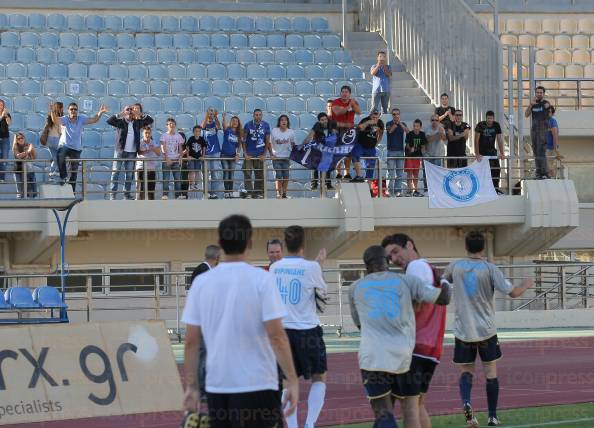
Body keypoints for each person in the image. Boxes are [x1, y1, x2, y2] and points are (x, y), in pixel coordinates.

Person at [182, 214, 299, 427]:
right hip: (259, 384)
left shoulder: (201, 283)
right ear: (250, 243)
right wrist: (292, 380)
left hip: (218, 386)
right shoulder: (263, 280)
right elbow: (277, 336)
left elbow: (191, 341)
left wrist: (191, 387)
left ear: (220, 244)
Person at [349, 245, 451, 428]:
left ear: (366, 267)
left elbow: (359, 324)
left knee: (383, 413)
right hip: (403, 357)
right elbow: (444, 299)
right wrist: (443, 280)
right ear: (387, 262)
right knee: (410, 410)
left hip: (372, 357)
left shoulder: (355, 288)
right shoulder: (407, 281)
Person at [442, 231, 533, 428]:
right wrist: (526, 284)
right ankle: (492, 416)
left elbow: (442, 283)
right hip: (486, 330)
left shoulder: (455, 266)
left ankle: (467, 406)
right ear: (483, 248)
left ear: (466, 247)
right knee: (490, 372)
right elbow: (514, 293)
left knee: (466, 372)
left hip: (464, 329)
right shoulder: (491, 269)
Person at [382, 234, 447, 428]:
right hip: (430, 347)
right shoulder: (429, 268)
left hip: (414, 346)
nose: (393, 259)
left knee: (409, 407)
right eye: (389, 257)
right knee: (417, 404)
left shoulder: (416, 267)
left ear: (409, 245)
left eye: (395, 252)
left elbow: (415, 302)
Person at [270, 225, 328, 428]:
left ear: (285, 245)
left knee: (287, 380)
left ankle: (293, 426)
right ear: (303, 244)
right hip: (308, 330)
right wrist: (319, 264)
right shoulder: (312, 267)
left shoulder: (274, 268)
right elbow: (323, 299)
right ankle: (310, 423)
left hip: (283, 330)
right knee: (318, 377)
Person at [51, 102, 108, 192]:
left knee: (74, 172)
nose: (73, 111)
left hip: (76, 149)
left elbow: (94, 120)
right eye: (71, 109)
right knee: (60, 154)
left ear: (77, 111)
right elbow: (55, 121)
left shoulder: (81, 119)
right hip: (65, 145)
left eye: (75, 109)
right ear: (68, 111)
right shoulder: (65, 119)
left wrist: (100, 113)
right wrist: (52, 111)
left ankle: (72, 193)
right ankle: (63, 176)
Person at [107, 104, 154, 200]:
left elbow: (150, 120)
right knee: (115, 173)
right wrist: (121, 113)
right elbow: (109, 120)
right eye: (127, 110)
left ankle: (126, 194)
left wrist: (139, 113)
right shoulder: (120, 122)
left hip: (132, 152)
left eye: (131, 110)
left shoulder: (137, 123)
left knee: (129, 174)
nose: (129, 111)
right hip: (120, 151)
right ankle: (112, 195)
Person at [332, 85, 361, 179]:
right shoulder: (336, 102)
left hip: (349, 131)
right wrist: (349, 105)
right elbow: (338, 112)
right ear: (340, 93)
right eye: (343, 91)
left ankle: (347, 173)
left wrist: (353, 104)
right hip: (338, 130)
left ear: (349, 94)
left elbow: (359, 111)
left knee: (348, 153)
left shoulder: (353, 102)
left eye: (346, 92)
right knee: (338, 152)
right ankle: (338, 172)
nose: (344, 93)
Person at [242, 109, 271, 199]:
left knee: (259, 174)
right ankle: (249, 192)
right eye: (256, 115)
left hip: (260, 155)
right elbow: (243, 140)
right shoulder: (248, 125)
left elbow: (267, 141)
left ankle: (257, 193)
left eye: (259, 115)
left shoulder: (266, 125)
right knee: (247, 173)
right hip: (249, 155)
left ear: (261, 116)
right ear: (253, 116)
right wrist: (245, 153)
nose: (258, 116)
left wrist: (264, 154)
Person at [524, 86, 552, 179]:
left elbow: (549, 113)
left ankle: (545, 173)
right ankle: (538, 172)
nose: (539, 94)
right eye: (537, 92)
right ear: (535, 93)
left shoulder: (546, 103)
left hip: (543, 129)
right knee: (535, 151)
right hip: (534, 129)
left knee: (541, 151)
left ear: (543, 94)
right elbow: (526, 114)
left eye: (541, 92)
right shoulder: (533, 104)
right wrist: (531, 105)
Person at [304, 112, 336, 191]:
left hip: (327, 150)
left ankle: (328, 184)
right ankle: (314, 184)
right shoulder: (316, 126)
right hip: (317, 150)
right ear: (319, 121)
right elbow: (310, 136)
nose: (324, 121)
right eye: (322, 120)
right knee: (315, 167)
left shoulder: (330, 126)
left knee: (327, 167)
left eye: (325, 119)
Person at [474, 111, 504, 193]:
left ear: (493, 118)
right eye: (488, 118)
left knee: (496, 169)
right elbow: (476, 140)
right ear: (486, 118)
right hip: (482, 152)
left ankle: (495, 189)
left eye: (491, 118)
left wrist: (502, 153)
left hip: (492, 151)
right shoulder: (480, 125)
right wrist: (477, 153)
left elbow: (500, 139)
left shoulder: (496, 125)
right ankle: (480, 189)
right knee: (482, 170)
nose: (490, 120)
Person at [351, 109, 384, 183]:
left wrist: (377, 143)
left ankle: (369, 188)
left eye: (376, 117)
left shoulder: (380, 123)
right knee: (355, 154)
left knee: (371, 166)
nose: (375, 119)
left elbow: (381, 133)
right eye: (373, 117)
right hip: (361, 144)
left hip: (371, 147)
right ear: (370, 115)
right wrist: (368, 123)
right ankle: (359, 175)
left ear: (379, 116)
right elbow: (359, 129)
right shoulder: (365, 120)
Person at [270, 115, 295, 199]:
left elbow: (292, 143)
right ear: (279, 122)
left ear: (287, 122)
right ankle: (278, 193)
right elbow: (269, 143)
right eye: (282, 120)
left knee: (286, 175)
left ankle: (284, 193)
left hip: (286, 157)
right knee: (279, 175)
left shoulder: (291, 132)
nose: (284, 122)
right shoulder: (274, 131)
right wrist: (271, 154)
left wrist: (294, 153)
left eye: (285, 120)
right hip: (276, 157)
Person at [160, 117, 185, 200]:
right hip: (167, 160)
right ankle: (165, 194)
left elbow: (180, 148)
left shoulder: (178, 136)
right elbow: (163, 147)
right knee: (166, 178)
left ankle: (178, 195)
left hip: (176, 160)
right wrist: (166, 158)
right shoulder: (164, 135)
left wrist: (181, 157)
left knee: (177, 179)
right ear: (166, 125)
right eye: (169, 123)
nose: (171, 125)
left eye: (173, 123)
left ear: (175, 125)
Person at [385, 108, 408, 197]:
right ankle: (389, 190)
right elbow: (390, 131)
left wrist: (400, 123)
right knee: (390, 173)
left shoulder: (403, 124)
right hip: (391, 152)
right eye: (394, 114)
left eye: (397, 114)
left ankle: (398, 190)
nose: (396, 116)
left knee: (399, 173)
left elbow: (408, 131)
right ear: (392, 115)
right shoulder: (389, 124)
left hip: (400, 152)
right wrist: (395, 124)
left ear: (399, 115)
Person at [201, 107, 222, 199]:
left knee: (215, 173)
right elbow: (202, 126)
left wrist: (216, 116)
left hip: (215, 151)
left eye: (212, 114)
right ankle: (206, 192)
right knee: (206, 173)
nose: (210, 115)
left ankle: (213, 192)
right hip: (206, 152)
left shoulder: (214, 123)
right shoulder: (204, 124)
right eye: (209, 114)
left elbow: (219, 126)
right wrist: (207, 114)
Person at [40, 102, 63, 181]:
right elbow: (60, 131)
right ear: (60, 108)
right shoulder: (59, 117)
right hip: (56, 139)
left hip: (49, 140)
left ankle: (51, 174)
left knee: (55, 158)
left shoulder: (49, 117)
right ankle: (56, 171)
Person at [136, 126, 161, 200]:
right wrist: (147, 149)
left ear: (151, 134)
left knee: (151, 190)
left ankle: (151, 207)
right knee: (141, 189)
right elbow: (139, 152)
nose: (147, 134)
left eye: (149, 133)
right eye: (146, 133)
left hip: (151, 168)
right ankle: (140, 207)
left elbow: (159, 153)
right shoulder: (139, 142)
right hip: (141, 168)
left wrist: (153, 148)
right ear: (142, 133)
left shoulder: (154, 142)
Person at [221, 113, 242, 198]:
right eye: (233, 121)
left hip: (233, 156)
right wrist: (223, 118)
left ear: (238, 123)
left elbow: (239, 145)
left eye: (236, 121)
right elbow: (224, 126)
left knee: (231, 174)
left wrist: (237, 154)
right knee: (226, 172)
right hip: (224, 155)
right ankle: (226, 192)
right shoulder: (228, 130)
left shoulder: (239, 133)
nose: (234, 122)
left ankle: (231, 191)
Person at [405, 119, 427, 197]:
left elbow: (424, 146)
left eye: (417, 126)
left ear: (420, 127)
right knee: (409, 173)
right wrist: (410, 149)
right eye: (414, 126)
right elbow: (407, 145)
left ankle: (415, 190)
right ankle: (409, 190)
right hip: (409, 156)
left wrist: (423, 152)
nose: (415, 127)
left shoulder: (422, 134)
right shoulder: (409, 134)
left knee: (416, 174)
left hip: (417, 157)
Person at [12, 132, 37, 199]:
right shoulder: (15, 147)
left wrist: (33, 149)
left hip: (29, 170)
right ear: (16, 140)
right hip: (18, 170)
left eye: (22, 138)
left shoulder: (28, 145)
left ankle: (31, 205)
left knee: (32, 189)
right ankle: (19, 205)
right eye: (18, 138)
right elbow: (18, 156)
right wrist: (28, 151)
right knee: (20, 191)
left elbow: (34, 157)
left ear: (24, 138)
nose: (20, 139)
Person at [546, 106, 562, 178]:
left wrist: (556, 149)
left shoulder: (552, 121)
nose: (547, 113)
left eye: (549, 112)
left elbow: (555, 136)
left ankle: (552, 179)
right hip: (544, 148)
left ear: (552, 113)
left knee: (550, 167)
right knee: (547, 167)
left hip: (550, 148)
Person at [0, 99, 12, 183]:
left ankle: (2, 178)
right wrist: (1, 117)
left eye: (2, 105)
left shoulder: (7, 114)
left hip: (5, 139)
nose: (0, 106)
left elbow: (9, 123)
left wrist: (6, 115)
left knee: (5, 158)